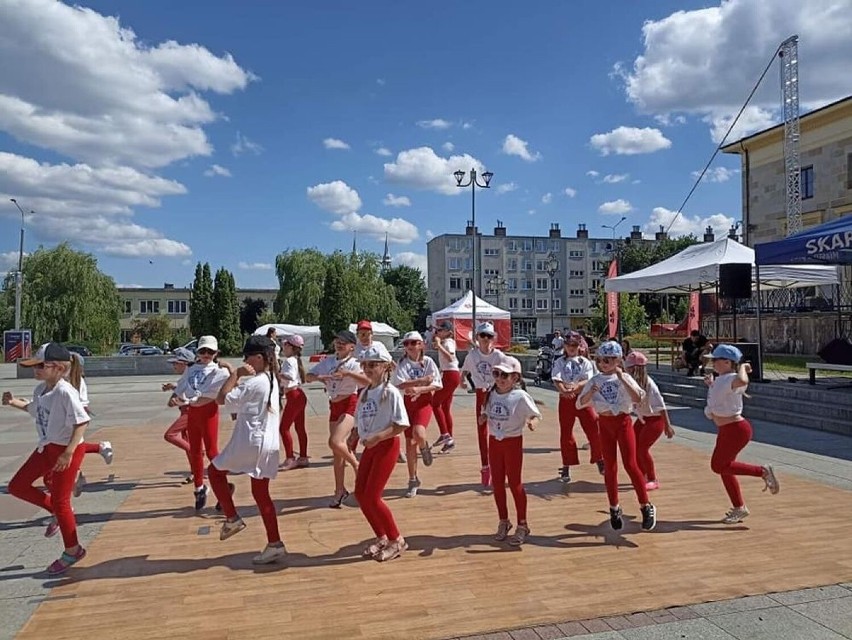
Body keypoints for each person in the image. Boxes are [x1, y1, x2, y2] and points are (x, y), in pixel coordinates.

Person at [3, 343, 91, 575]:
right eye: (34, 365)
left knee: (62, 502)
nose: (36, 370)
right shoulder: (42, 390)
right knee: (17, 486)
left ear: (59, 368)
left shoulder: (65, 392)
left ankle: (73, 550)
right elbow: (34, 409)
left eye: (41, 366)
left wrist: (69, 452)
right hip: (47, 447)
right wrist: (13, 402)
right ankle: (57, 512)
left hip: (65, 449)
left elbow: (81, 422)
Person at [208, 336, 287, 564]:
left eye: (248, 356)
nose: (245, 360)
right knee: (261, 494)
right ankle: (275, 543)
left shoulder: (255, 382)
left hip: (251, 441)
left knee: (214, 472)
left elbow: (221, 399)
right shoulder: (273, 378)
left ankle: (232, 518)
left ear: (259, 358)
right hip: (269, 443)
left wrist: (236, 373)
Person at [576, 341, 657, 532]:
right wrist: (590, 394)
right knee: (610, 467)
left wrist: (622, 378)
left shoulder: (625, 376)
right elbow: (580, 404)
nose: (604, 363)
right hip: (605, 424)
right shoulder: (595, 380)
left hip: (622, 422)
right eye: (601, 360)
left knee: (630, 464)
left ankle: (646, 505)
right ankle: (614, 507)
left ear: (618, 360)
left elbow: (638, 397)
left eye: (609, 360)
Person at [703, 344, 779, 524]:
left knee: (718, 466)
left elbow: (743, 382)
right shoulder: (723, 379)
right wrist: (711, 385)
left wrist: (743, 368)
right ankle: (739, 508)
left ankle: (762, 471)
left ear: (728, 362)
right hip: (728, 430)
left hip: (735, 431)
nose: (712, 363)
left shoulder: (730, 378)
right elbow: (722, 399)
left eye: (716, 360)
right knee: (725, 469)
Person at [352, 345, 409, 562]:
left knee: (373, 497)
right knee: (360, 493)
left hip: (385, 446)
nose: (367, 369)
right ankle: (381, 536)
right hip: (370, 447)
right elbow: (360, 419)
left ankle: (397, 539)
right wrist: (355, 435)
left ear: (385, 366)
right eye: (365, 365)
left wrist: (378, 437)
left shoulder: (390, 392)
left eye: (373, 365)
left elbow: (401, 425)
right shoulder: (366, 392)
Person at [479, 355, 541, 546]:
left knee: (515, 483)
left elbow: (536, 414)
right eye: (496, 373)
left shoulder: (520, 396)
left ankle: (523, 524)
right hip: (495, 442)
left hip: (512, 442)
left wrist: (532, 422)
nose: (499, 378)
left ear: (515, 378)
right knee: (497, 484)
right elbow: (485, 412)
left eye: (504, 375)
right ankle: (503, 521)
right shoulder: (490, 393)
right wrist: (483, 418)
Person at [306, 329, 369, 508]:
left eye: (343, 342)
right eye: (337, 341)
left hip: (350, 402)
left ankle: (358, 466)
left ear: (352, 347)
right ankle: (339, 490)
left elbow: (366, 381)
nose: (339, 344)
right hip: (334, 404)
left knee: (335, 442)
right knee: (337, 452)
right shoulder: (328, 361)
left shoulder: (355, 363)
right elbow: (308, 377)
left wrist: (348, 375)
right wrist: (320, 378)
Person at [392, 331, 441, 498]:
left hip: (423, 403)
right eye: (406, 344)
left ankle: (424, 446)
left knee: (418, 433)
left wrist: (420, 388)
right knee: (409, 443)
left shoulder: (428, 362)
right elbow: (400, 383)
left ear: (421, 345)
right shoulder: (402, 363)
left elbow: (436, 383)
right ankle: (413, 479)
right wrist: (421, 381)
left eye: (413, 343)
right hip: (407, 404)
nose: (410, 347)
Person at [550, 331, 603, 483]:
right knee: (566, 433)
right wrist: (563, 390)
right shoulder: (559, 361)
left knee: (594, 428)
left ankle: (599, 458)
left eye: (574, 345)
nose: (571, 348)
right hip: (566, 399)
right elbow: (556, 378)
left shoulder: (585, 362)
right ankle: (567, 464)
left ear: (579, 346)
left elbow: (588, 379)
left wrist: (575, 388)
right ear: (564, 346)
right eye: (568, 345)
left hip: (583, 399)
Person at [185, 335, 230, 511]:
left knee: (212, 452)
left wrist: (230, 368)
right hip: (193, 413)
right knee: (195, 450)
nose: (205, 354)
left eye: (210, 351)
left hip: (209, 413)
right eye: (202, 351)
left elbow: (229, 386)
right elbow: (187, 386)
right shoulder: (191, 368)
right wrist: (175, 391)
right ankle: (199, 487)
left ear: (216, 353)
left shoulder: (218, 370)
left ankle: (224, 486)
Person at [460, 322, 505, 488]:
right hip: (481, 393)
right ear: (477, 338)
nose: (486, 339)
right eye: (483, 336)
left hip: (496, 393)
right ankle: (485, 466)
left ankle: (498, 464)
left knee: (498, 429)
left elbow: (511, 369)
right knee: (482, 430)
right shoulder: (472, 356)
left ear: (494, 338)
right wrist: (462, 380)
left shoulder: (499, 356)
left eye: (489, 336)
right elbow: (464, 370)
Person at [624, 351, 674, 491]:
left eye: (629, 367)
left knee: (642, 449)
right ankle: (642, 475)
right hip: (643, 418)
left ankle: (652, 478)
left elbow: (661, 406)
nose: (626, 369)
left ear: (636, 369)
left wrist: (667, 426)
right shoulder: (631, 382)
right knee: (633, 446)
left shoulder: (649, 385)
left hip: (655, 420)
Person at [66, 353, 113, 496]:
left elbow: (81, 403)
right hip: (68, 419)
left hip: (75, 419)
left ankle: (76, 475)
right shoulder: (66, 380)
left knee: (69, 447)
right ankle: (100, 448)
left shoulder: (77, 381)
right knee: (68, 447)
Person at [163, 347, 200, 483]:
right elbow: (181, 388)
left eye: (176, 363)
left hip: (190, 411)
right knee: (186, 441)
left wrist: (176, 399)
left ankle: (197, 453)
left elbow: (194, 393)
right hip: (186, 410)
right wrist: (173, 388)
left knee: (170, 435)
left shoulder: (190, 376)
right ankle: (195, 471)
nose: (173, 366)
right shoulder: (188, 375)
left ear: (184, 363)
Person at [278, 334, 309, 470]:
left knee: (283, 428)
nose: (283, 347)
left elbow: (289, 376)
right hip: (299, 395)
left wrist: (276, 373)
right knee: (300, 428)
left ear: (290, 347)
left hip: (294, 396)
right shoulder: (296, 360)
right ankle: (303, 456)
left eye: (285, 345)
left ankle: (290, 458)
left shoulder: (289, 361)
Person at [430, 320, 460, 454]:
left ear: (448, 332)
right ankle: (449, 440)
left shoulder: (448, 343)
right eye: (437, 330)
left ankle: (445, 434)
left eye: (440, 330)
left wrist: (439, 345)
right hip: (450, 374)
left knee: (435, 403)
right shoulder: (445, 342)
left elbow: (451, 358)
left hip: (450, 374)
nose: (438, 332)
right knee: (445, 407)